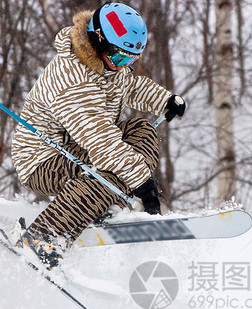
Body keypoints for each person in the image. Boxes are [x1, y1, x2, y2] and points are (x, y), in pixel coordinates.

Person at [10, 2, 186, 266]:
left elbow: (128, 85)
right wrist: (142, 184)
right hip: (42, 160)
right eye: (119, 57)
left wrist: (164, 100)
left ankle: (103, 201)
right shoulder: (71, 79)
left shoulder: (105, 63)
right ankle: (42, 236)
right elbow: (102, 143)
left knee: (143, 130)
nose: (121, 65)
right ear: (98, 39)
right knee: (109, 175)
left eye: (130, 60)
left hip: (78, 148)